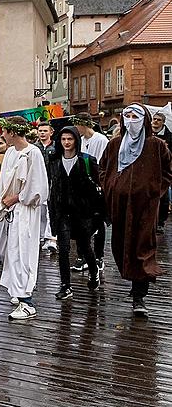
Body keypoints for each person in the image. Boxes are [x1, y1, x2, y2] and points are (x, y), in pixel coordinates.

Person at [99, 104, 172, 317]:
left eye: (135, 116)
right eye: (127, 116)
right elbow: (103, 168)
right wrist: (111, 186)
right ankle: (132, 282)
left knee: (143, 246)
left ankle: (140, 294)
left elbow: (168, 171)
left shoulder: (156, 145)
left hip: (145, 206)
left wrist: (153, 191)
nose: (131, 120)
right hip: (119, 205)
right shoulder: (114, 145)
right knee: (123, 244)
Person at [0, 117, 49, 320]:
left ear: (13, 133)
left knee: (24, 252)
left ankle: (27, 302)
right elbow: (2, 179)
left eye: (4, 131)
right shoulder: (10, 152)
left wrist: (15, 198)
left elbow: (38, 187)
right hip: (11, 211)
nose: (2, 135)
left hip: (25, 211)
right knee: (12, 252)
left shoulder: (34, 153)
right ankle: (18, 293)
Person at [47, 126, 103, 300]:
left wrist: (97, 213)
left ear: (76, 141)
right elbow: (52, 187)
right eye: (63, 139)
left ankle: (94, 272)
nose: (66, 143)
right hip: (62, 212)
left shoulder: (87, 160)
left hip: (82, 212)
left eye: (69, 139)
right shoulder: (54, 161)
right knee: (63, 249)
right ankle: (65, 286)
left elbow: (98, 185)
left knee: (85, 246)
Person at [71, 113, 110, 273]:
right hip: (81, 187)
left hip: (96, 187)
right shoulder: (79, 141)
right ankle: (82, 256)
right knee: (80, 223)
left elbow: (103, 164)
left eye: (77, 126)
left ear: (84, 124)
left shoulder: (101, 140)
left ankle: (99, 257)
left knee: (98, 222)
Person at [34, 122, 58, 253]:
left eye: (45, 131)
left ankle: (51, 238)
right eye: (40, 131)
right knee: (40, 210)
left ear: (51, 132)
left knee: (50, 210)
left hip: (52, 181)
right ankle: (40, 236)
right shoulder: (34, 147)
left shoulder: (55, 147)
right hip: (38, 181)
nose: (42, 133)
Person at [150, 111, 172, 232]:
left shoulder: (169, 136)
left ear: (163, 122)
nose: (156, 121)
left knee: (163, 196)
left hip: (162, 170)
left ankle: (160, 222)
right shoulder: (147, 134)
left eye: (159, 120)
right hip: (149, 170)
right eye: (154, 119)